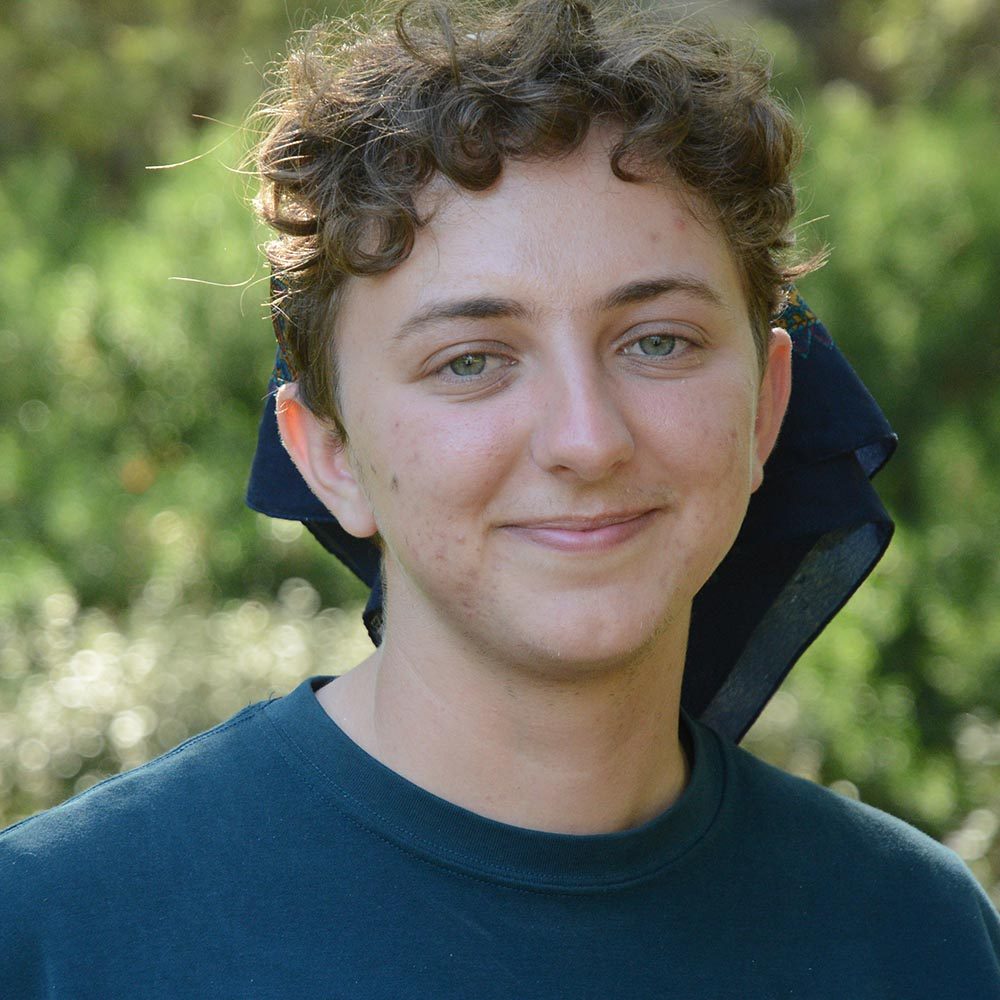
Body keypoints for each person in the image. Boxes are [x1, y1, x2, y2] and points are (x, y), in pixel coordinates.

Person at [2, 1, 998, 996]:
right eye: (471, 360)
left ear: (765, 408)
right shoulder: (60, 933)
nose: (586, 440)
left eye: (657, 341)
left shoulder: (916, 936)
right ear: (329, 454)